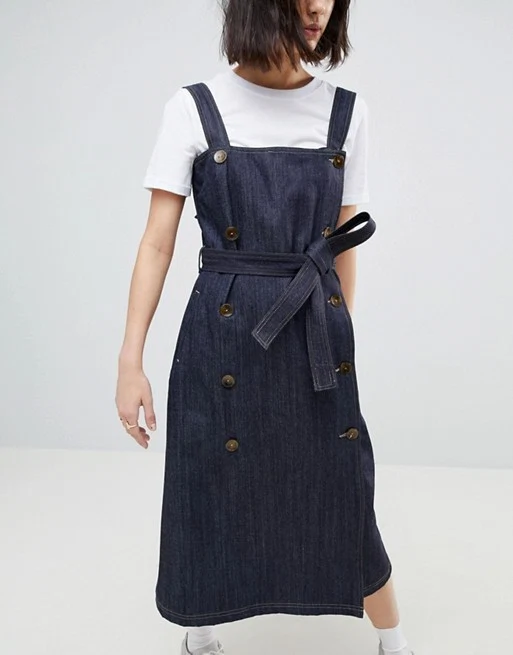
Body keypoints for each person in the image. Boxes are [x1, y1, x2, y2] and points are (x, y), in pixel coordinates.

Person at [115, 1, 415, 654]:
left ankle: (393, 640)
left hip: (313, 336)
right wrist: (129, 360)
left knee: (341, 487)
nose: (317, 6)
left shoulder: (346, 112)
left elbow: (342, 243)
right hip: (220, 337)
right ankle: (201, 632)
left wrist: (337, 338)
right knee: (210, 482)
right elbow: (157, 243)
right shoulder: (193, 108)